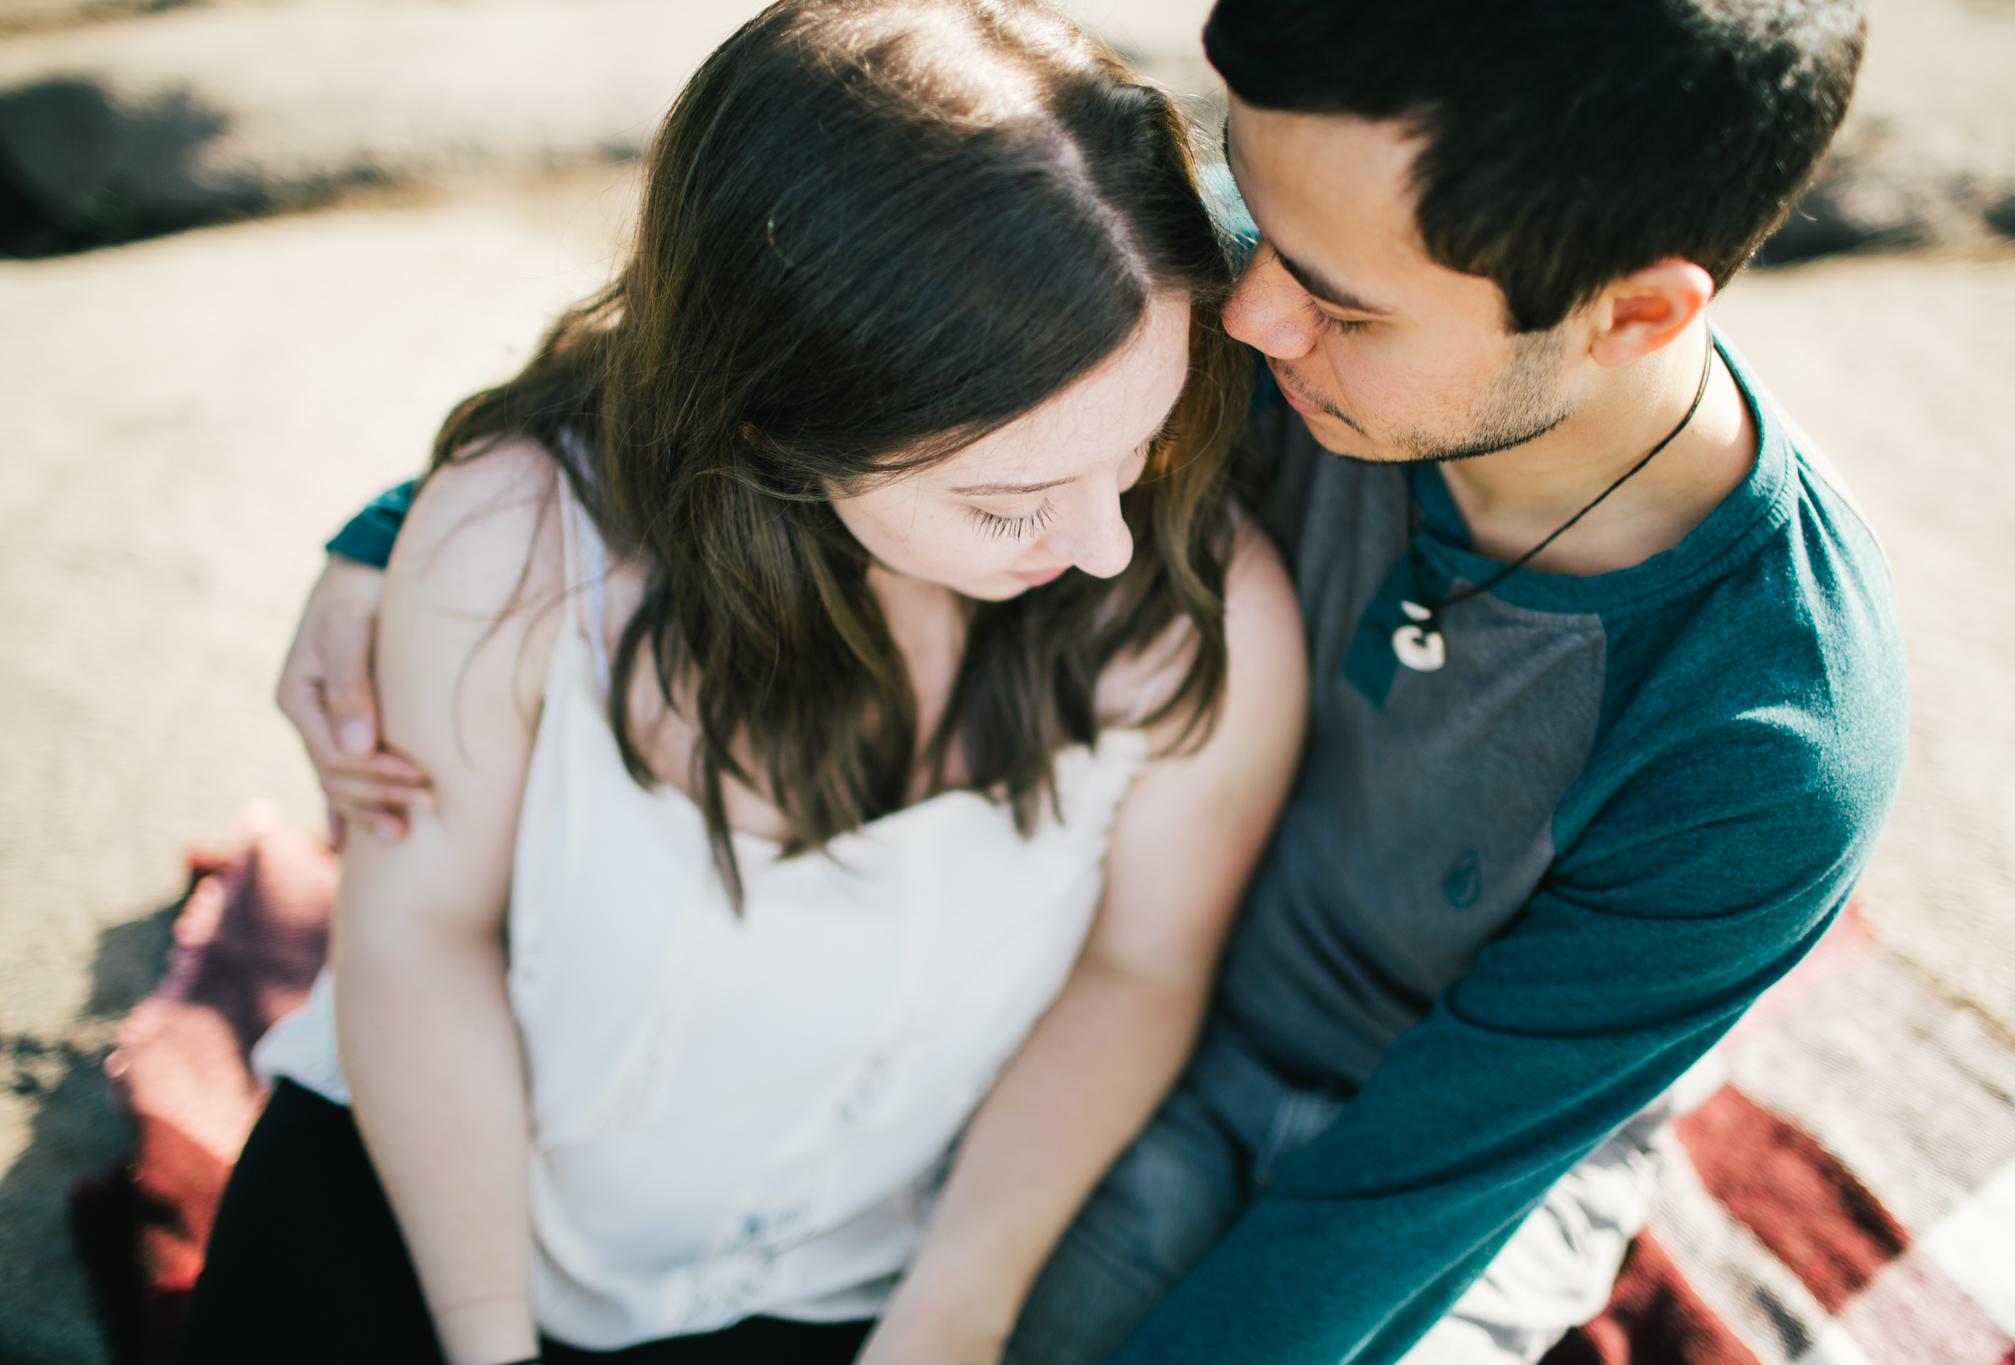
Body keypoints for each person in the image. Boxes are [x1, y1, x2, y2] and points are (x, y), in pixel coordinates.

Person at [282, 0, 1912, 1362]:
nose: (1245, 315)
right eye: (1248, 215)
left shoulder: (1767, 739)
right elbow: (846, 274)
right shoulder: (1289, 303)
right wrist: (410, 532)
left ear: (1633, 313)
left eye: (1334, 299)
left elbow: (1402, 1200)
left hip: (1413, 1148)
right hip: (1071, 1010)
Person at [178, 2, 1309, 1363]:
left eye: (1134, 449)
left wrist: (951, 1315)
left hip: (835, 1289)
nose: (1106, 543)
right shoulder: (514, 544)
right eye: (1009, 503)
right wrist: (486, 1346)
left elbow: (1139, 968)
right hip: (420, 1210)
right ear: (780, 421)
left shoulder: (1196, 605)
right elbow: (422, 938)